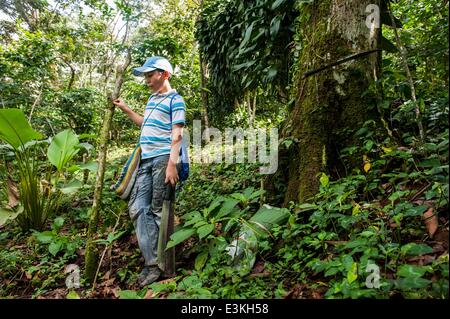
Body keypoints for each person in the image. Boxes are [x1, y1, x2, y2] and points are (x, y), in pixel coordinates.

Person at [113, 56, 185, 287]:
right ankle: (153, 261)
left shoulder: (176, 100)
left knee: (158, 211)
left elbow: (177, 134)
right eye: (144, 75)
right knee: (137, 207)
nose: (146, 79)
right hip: (145, 159)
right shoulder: (152, 99)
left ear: (164, 74)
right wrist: (126, 109)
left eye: (149, 74)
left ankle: (163, 267)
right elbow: (145, 123)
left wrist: (173, 164)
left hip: (164, 160)